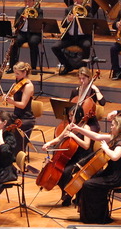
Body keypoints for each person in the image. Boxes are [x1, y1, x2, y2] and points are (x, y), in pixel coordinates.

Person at [42, 67, 103, 206]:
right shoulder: (70, 126)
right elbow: (59, 138)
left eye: (72, 116)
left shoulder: (86, 127)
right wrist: (49, 144)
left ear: (80, 115)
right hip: (72, 155)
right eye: (69, 116)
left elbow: (86, 145)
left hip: (82, 156)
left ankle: (70, 194)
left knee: (67, 171)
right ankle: (67, 193)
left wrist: (74, 136)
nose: (71, 118)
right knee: (58, 169)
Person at [70, 116, 121, 224]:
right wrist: (78, 129)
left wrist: (106, 148)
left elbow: (114, 156)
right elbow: (97, 136)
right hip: (110, 172)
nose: (111, 127)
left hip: (118, 177)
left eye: (113, 125)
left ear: (119, 127)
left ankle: (96, 217)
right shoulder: (115, 138)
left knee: (89, 184)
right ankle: (89, 214)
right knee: (88, 178)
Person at [52, 0, 92, 75]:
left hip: (83, 37)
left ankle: (83, 69)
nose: (76, 0)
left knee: (86, 45)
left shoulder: (87, 9)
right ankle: (67, 66)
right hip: (70, 37)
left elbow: (91, 24)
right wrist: (68, 20)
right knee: (55, 47)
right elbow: (63, 25)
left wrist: (83, 18)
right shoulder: (69, 9)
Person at [7, 0, 42, 70]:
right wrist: (21, 20)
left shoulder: (39, 11)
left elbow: (39, 24)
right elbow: (15, 25)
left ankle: (33, 67)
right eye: (25, 1)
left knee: (33, 42)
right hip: (22, 33)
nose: (27, 3)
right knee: (14, 42)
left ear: (33, 1)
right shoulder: (20, 11)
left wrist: (30, 18)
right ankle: (12, 67)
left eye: (29, 1)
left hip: (34, 33)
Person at [6, 62, 35, 153]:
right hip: (16, 115)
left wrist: (12, 102)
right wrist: (8, 98)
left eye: (18, 73)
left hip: (25, 118)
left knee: (16, 151)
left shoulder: (28, 86)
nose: (16, 75)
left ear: (24, 73)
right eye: (15, 73)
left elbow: (22, 105)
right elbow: (16, 98)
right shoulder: (18, 83)